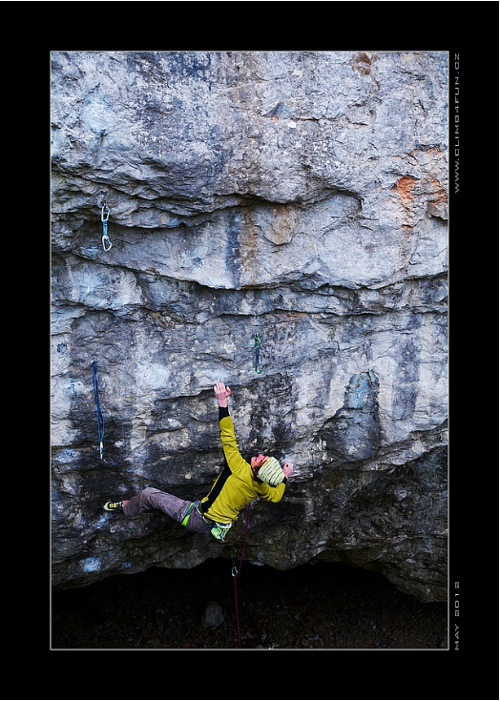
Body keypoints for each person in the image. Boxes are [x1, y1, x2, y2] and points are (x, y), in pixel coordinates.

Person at [103, 381, 294, 548]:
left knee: (148, 494)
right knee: (206, 522)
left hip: (197, 516)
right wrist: (284, 478)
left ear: (256, 469)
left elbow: (228, 436)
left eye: (261, 460)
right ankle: (204, 538)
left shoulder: (238, 467)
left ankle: (128, 507)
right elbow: (276, 496)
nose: (260, 455)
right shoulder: (262, 487)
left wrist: (222, 402)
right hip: (220, 522)